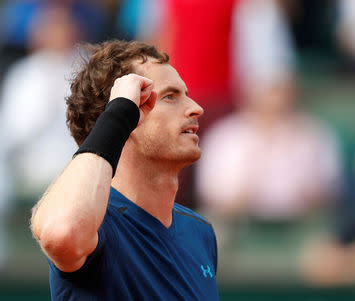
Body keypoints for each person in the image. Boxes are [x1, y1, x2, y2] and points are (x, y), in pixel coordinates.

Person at [29, 40, 219, 300]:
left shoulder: (201, 233)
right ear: (126, 117)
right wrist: (119, 113)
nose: (195, 108)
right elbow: (62, 233)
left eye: (185, 94)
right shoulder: (99, 225)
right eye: (170, 97)